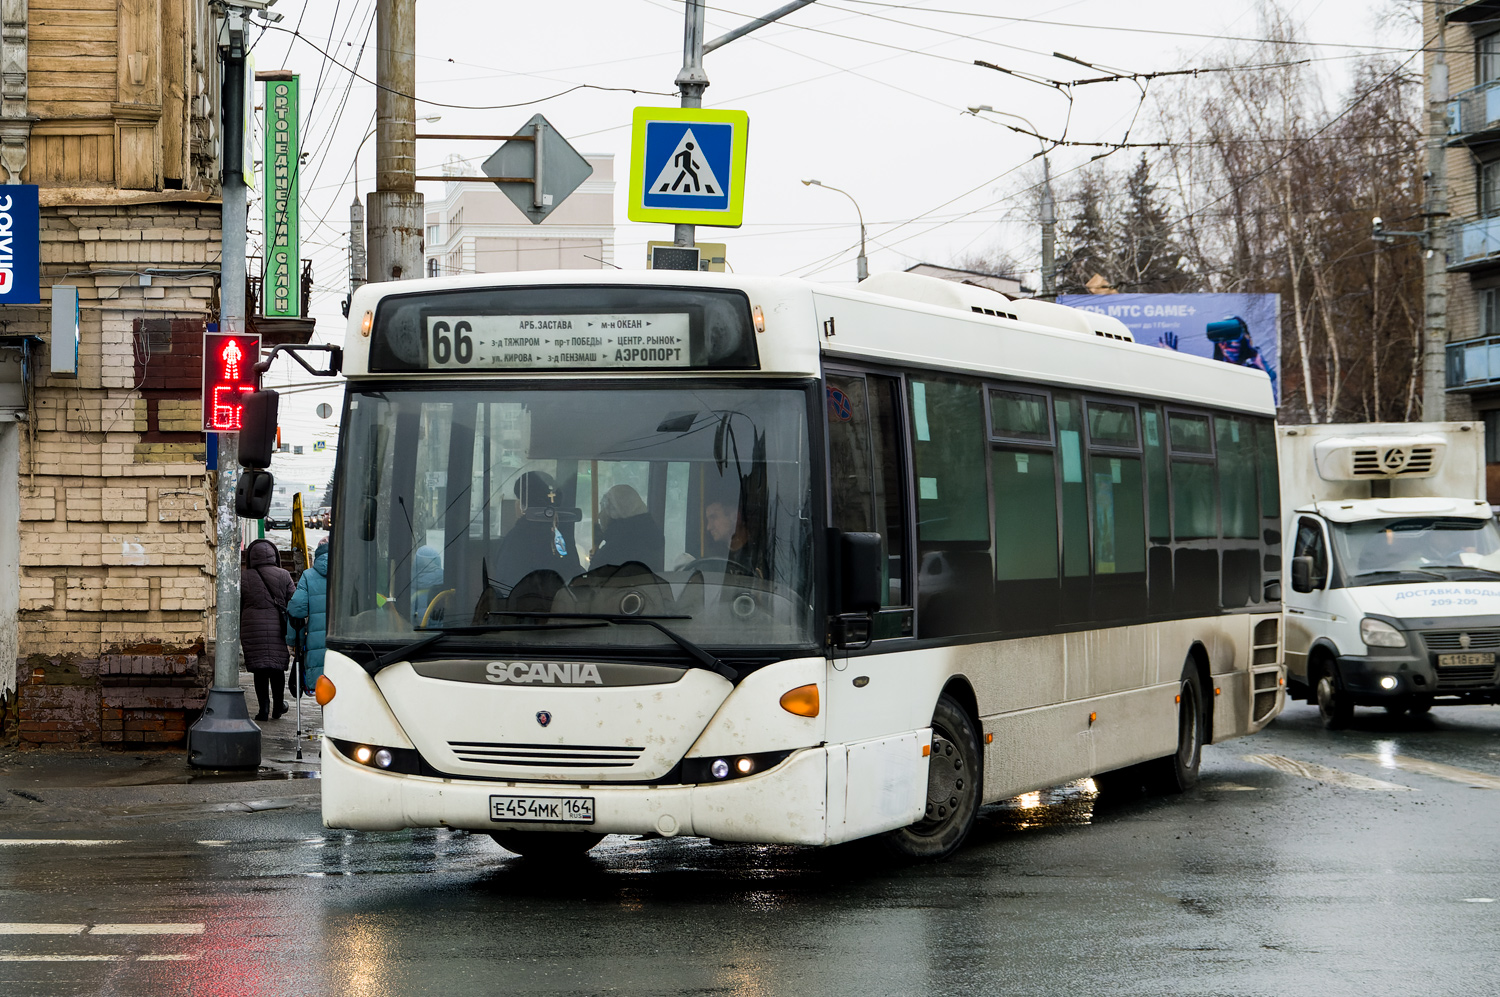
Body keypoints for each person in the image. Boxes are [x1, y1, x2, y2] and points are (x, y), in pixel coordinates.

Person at [492, 470, 581, 590]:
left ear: (523, 506)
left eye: (517, 499)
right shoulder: (561, 537)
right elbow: (574, 574)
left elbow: (507, 587)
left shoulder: (516, 541)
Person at [240, 538, 294, 721]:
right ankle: (278, 707)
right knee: (277, 669)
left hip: (252, 628)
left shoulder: (244, 577)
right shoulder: (284, 575)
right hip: (278, 628)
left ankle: (263, 710)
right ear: (274, 555)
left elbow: (238, 605)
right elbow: (293, 602)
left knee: (260, 670)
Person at [287, 538, 329, 694]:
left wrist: (293, 642)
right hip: (344, 645)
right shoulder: (348, 573)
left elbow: (296, 610)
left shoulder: (308, 576)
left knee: (323, 688)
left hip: (316, 643)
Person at [593, 484, 659, 571]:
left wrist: (597, 553)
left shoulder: (614, 550)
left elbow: (592, 579)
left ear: (614, 513)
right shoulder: (650, 540)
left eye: (603, 509)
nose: (599, 516)